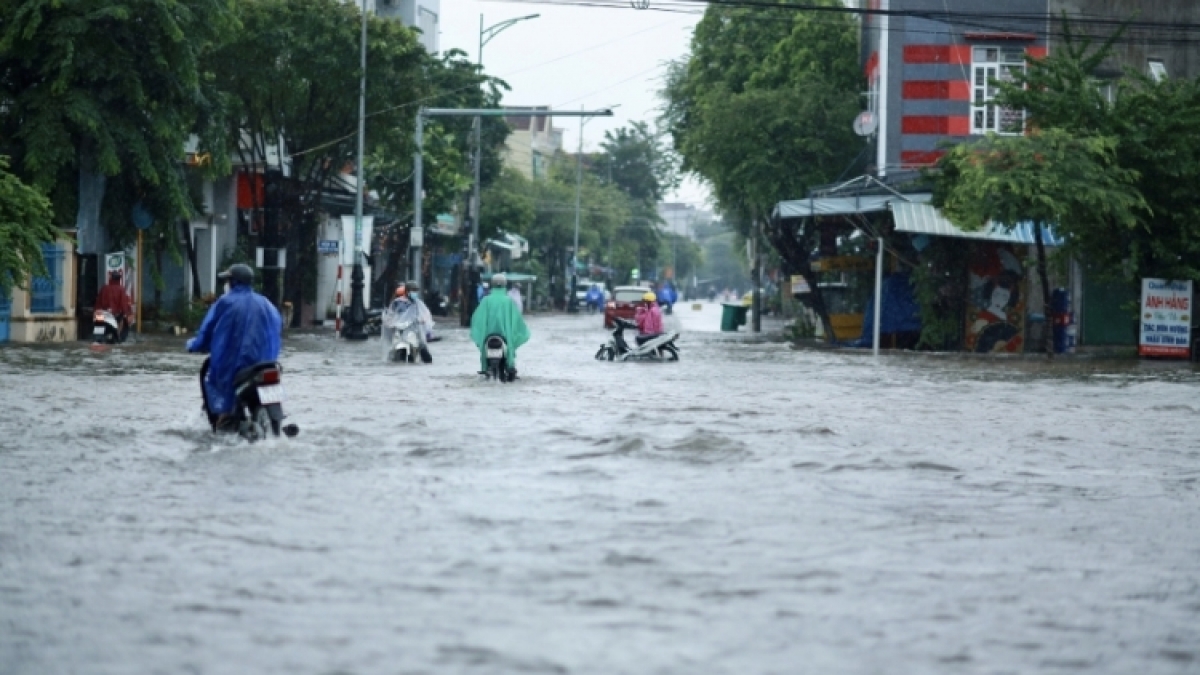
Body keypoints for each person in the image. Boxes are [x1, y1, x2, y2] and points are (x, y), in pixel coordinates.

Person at [186, 264, 282, 432]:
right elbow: (276, 331)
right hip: (267, 364)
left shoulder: (225, 302)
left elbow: (207, 330)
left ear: (233, 282)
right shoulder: (267, 303)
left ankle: (222, 420)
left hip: (237, 366)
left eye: (228, 280)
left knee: (214, 380)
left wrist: (194, 345)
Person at [471, 273, 530, 379]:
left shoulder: (486, 300)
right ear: (504, 285)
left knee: (484, 354)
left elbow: (476, 319)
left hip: (488, 337)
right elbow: (517, 320)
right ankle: (510, 365)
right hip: (505, 336)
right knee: (510, 350)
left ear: (492, 285)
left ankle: (485, 367)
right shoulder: (508, 301)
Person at [386, 282, 434, 362]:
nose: (415, 293)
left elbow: (425, 313)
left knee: (423, 349)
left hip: (414, 329)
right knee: (393, 347)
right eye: (413, 290)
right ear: (407, 291)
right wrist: (389, 322)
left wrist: (423, 319)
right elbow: (390, 314)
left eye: (416, 291)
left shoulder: (417, 303)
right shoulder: (397, 302)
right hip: (400, 329)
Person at [94, 270, 134, 342]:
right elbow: (124, 305)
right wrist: (127, 314)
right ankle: (118, 338)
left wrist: (96, 311)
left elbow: (98, 302)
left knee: (98, 332)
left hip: (102, 314)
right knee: (122, 329)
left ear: (110, 279)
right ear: (119, 279)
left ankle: (98, 339)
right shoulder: (121, 289)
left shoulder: (104, 288)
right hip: (115, 315)